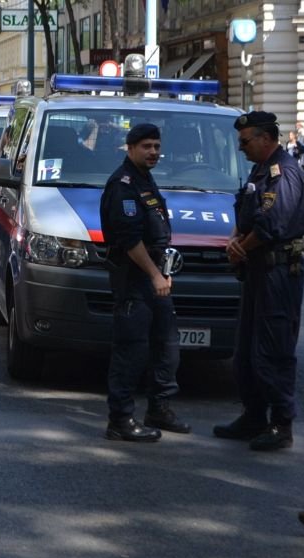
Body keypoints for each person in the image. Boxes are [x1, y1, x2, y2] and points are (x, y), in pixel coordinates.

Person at [214, 111, 304, 451]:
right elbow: (248, 214)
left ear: (266, 138)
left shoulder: (284, 173)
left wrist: (241, 247)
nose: (241, 147)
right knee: (247, 351)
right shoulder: (260, 170)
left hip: (277, 272)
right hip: (257, 271)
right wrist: (235, 238)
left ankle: (281, 424)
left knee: (273, 348)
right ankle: (253, 416)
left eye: (245, 141)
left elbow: (273, 224)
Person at [99, 123, 191, 442]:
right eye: (146, 146)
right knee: (131, 350)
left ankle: (159, 408)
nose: (153, 152)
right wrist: (154, 274)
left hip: (155, 277)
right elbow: (130, 240)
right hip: (135, 279)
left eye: (156, 146)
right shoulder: (123, 185)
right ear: (130, 148)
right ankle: (120, 419)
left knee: (167, 347)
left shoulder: (144, 180)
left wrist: (163, 272)